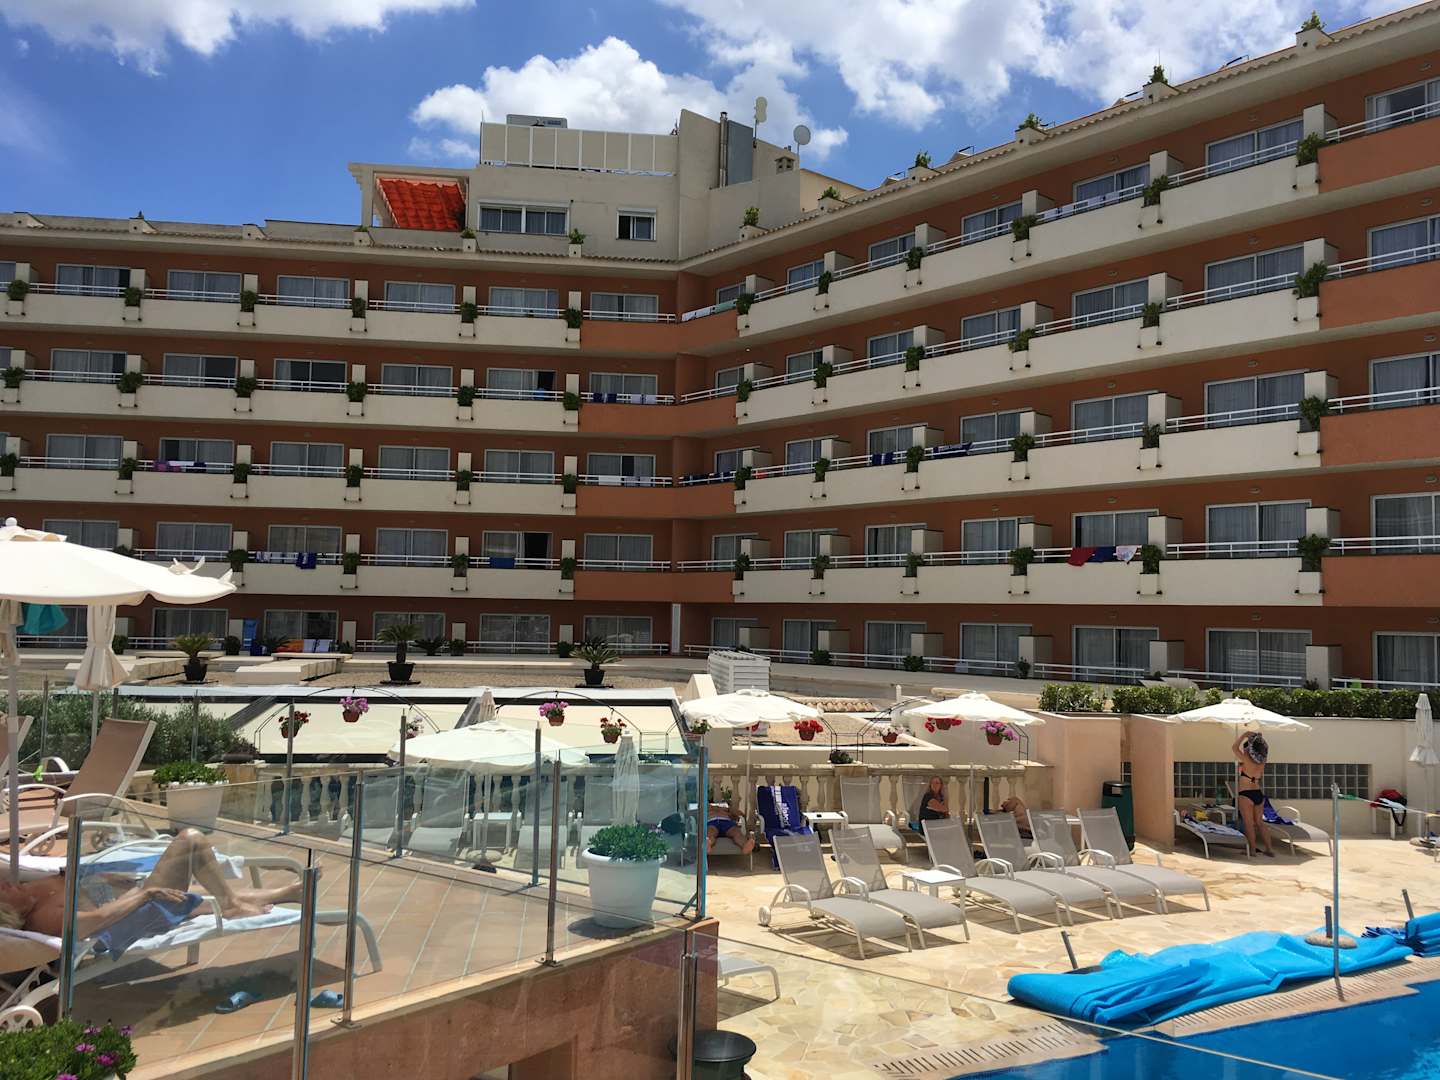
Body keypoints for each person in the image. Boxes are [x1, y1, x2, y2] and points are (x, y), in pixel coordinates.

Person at [0, 828, 305, 940]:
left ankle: (288, 893)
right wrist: (144, 894)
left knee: (200, 894)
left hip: (128, 892)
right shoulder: (44, 918)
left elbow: (83, 888)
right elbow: (96, 920)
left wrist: (107, 877)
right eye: (1, 892)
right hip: (136, 916)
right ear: (7, 912)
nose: (4, 885)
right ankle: (232, 905)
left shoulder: (29, 890)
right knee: (190, 840)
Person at [1233, 730, 1276, 857]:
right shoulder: (1263, 760)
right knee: (1260, 822)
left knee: (1249, 823)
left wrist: (1243, 735)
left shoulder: (1246, 759)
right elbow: (1264, 747)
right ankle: (1269, 849)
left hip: (1246, 794)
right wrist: (1258, 738)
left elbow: (1234, 747)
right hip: (1258, 793)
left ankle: (1252, 850)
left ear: (1249, 749)